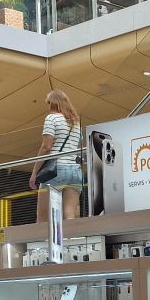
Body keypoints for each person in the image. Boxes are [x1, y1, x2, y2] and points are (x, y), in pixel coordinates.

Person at [29, 90, 85, 221]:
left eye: (48, 103)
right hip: (75, 172)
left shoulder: (51, 118)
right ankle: (71, 235)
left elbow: (46, 147)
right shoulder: (76, 122)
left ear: (52, 103)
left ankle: (47, 236)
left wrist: (34, 172)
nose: (48, 106)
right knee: (69, 214)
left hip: (56, 170)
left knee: (43, 216)